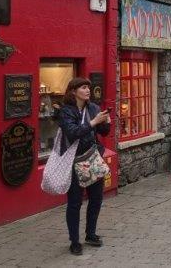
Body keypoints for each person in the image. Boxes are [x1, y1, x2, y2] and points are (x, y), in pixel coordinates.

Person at [56, 77, 111, 256]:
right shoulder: (66, 112)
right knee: (75, 203)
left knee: (96, 199)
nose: (88, 90)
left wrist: (106, 122)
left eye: (88, 87)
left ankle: (91, 234)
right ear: (73, 91)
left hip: (92, 158)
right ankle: (74, 241)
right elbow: (72, 133)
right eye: (84, 87)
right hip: (74, 160)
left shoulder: (93, 108)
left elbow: (103, 132)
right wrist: (94, 122)